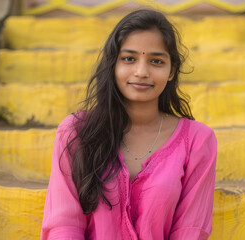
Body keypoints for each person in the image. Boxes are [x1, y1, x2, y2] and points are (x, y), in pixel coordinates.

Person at [41, 9, 217, 240]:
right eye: (129, 59)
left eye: (156, 61)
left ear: (172, 70)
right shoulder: (76, 132)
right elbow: (64, 225)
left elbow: (190, 230)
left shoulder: (196, 141)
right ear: (113, 65)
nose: (141, 72)